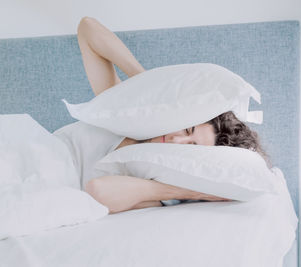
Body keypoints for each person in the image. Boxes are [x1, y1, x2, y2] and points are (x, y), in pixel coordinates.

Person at [75, 17, 269, 214]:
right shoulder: (127, 116)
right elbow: (87, 28)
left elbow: (96, 191)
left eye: (190, 147)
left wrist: (190, 192)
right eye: (188, 129)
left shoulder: (156, 181)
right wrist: (148, 83)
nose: (176, 139)